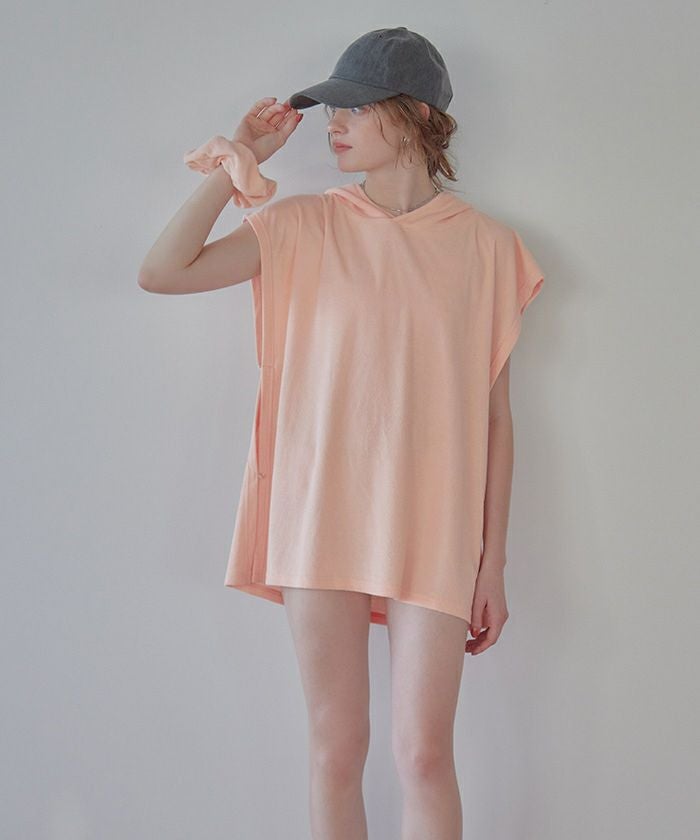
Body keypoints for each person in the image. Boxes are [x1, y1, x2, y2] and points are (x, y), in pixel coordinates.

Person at [138, 26, 544, 840]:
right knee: (336, 750)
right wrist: (235, 163)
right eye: (331, 109)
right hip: (320, 510)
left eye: (354, 107)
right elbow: (161, 272)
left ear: (416, 115)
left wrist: (492, 562)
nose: (334, 124)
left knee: (424, 755)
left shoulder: (488, 249)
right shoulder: (303, 225)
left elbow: (495, 418)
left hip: (434, 521)